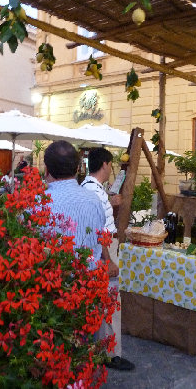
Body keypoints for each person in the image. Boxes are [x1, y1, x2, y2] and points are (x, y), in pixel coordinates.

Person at [80, 148, 134, 371]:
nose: (111, 168)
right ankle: (110, 353)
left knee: (103, 302)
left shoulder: (91, 188)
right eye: (110, 164)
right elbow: (96, 229)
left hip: (104, 247)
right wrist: (108, 259)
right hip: (104, 249)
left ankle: (101, 349)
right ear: (104, 164)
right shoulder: (93, 190)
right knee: (111, 302)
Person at [43, 141, 107, 269]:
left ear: (46, 170)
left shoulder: (37, 203)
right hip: (89, 281)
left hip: (52, 283)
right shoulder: (94, 200)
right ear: (77, 168)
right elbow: (100, 238)